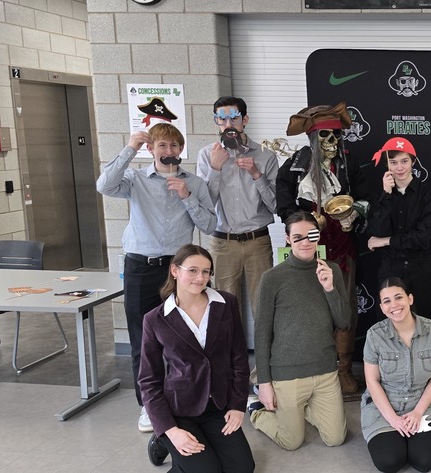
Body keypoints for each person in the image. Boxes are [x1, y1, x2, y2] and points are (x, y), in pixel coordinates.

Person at [96, 123, 216, 432]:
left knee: (185, 336)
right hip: (140, 267)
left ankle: (188, 398)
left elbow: (210, 224)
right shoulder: (135, 179)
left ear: (181, 149)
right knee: (142, 341)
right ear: (151, 149)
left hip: (179, 270)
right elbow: (104, 185)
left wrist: (187, 196)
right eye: (162, 146)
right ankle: (149, 406)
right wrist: (130, 147)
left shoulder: (195, 183)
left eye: (174, 146)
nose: (169, 151)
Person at [276, 102, 370, 399]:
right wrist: (302, 220)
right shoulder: (295, 165)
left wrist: (354, 216)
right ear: (313, 139)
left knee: (343, 305)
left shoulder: (350, 163)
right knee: (306, 306)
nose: (332, 141)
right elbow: (283, 203)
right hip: (308, 244)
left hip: (342, 244)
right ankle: (312, 369)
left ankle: (342, 370)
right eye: (325, 136)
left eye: (336, 135)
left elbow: (365, 199)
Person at [138, 244, 255, 472]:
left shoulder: (227, 303)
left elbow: (239, 358)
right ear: (175, 270)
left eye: (206, 271)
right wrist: (170, 429)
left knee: (242, 469)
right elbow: (148, 381)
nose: (200, 278)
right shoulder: (154, 319)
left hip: (218, 406)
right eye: (192, 270)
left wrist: (237, 405)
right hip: (179, 411)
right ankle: (162, 439)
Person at [250, 211, 350, 450]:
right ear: (287, 239)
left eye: (311, 235)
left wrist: (329, 288)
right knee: (291, 442)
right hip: (288, 373)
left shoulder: (331, 270)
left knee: (335, 438)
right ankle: (256, 411)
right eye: (298, 237)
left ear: (319, 236)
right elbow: (262, 334)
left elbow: (344, 321)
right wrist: (264, 383)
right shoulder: (272, 278)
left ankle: (302, 409)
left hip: (325, 371)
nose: (305, 242)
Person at [196, 96, 278, 335]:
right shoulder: (206, 155)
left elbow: (276, 206)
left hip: (258, 241)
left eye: (233, 118)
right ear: (216, 121)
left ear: (245, 120)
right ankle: (232, 360)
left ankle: (263, 361)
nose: (228, 124)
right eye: (221, 119)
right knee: (224, 311)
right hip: (223, 243)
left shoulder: (266, 155)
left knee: (263, 308)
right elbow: (204, 205)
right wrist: (215, 169)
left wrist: (256, 174)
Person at [361, 277, 431, 473]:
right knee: (389, 461)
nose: (394, 305)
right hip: (385, 405)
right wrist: (393, 419)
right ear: (382, 308)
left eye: (398, 297)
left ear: (410, 299)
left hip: (421, 402)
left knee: (424, 461)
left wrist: (417, 413)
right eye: (387, 301)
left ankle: (409, 434)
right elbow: (372, 381)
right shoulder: (374, 335)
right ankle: (393, 433)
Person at [367, 137, 431, 315]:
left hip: (421, 268)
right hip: (390, 268)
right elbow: (377, 230)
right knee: (388, 321)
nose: (399, 168)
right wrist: (387, 195)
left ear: (413, 162)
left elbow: (423, 237)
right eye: (393, 162)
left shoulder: (430, 194)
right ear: (387, 165)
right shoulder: (380, 196)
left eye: (404, 161)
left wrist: (386, 241)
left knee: (422, 320)